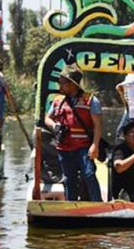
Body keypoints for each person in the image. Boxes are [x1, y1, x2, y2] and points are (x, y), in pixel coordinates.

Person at [43, 66, 103, 202]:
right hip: (64, 148)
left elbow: (98, 125)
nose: (60, 86)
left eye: (62, 82)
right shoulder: (58, 100)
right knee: (69, 179)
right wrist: (55, 125)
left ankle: (98, 203)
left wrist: (95, 145)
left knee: (89, 175)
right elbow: (48, 118)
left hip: (83, 147)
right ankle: (71, 205)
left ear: (72, 84)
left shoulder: (91, 100)